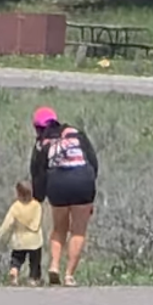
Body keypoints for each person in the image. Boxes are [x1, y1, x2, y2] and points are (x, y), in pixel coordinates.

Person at [29, 106, 99, 287]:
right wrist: (90, 185)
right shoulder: (76, 134)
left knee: (59, 228)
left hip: (58, 183)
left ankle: (54, 266)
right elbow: (92, 160)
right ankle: (69, 275)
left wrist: (39, 197)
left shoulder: (42, 143)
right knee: (78, 230)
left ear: (38, 127)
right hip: (83, 180)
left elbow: (38, 173)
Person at [0, 180, 44, 286]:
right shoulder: (36, 206)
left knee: (17, 259)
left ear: (18, 193)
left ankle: (14, 271)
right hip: (34, 241)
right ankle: (33, 278)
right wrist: (31, 226)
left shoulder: (15, 207)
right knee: (35, 261)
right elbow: (36, 223)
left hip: (19, 240)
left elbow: (7, 223)